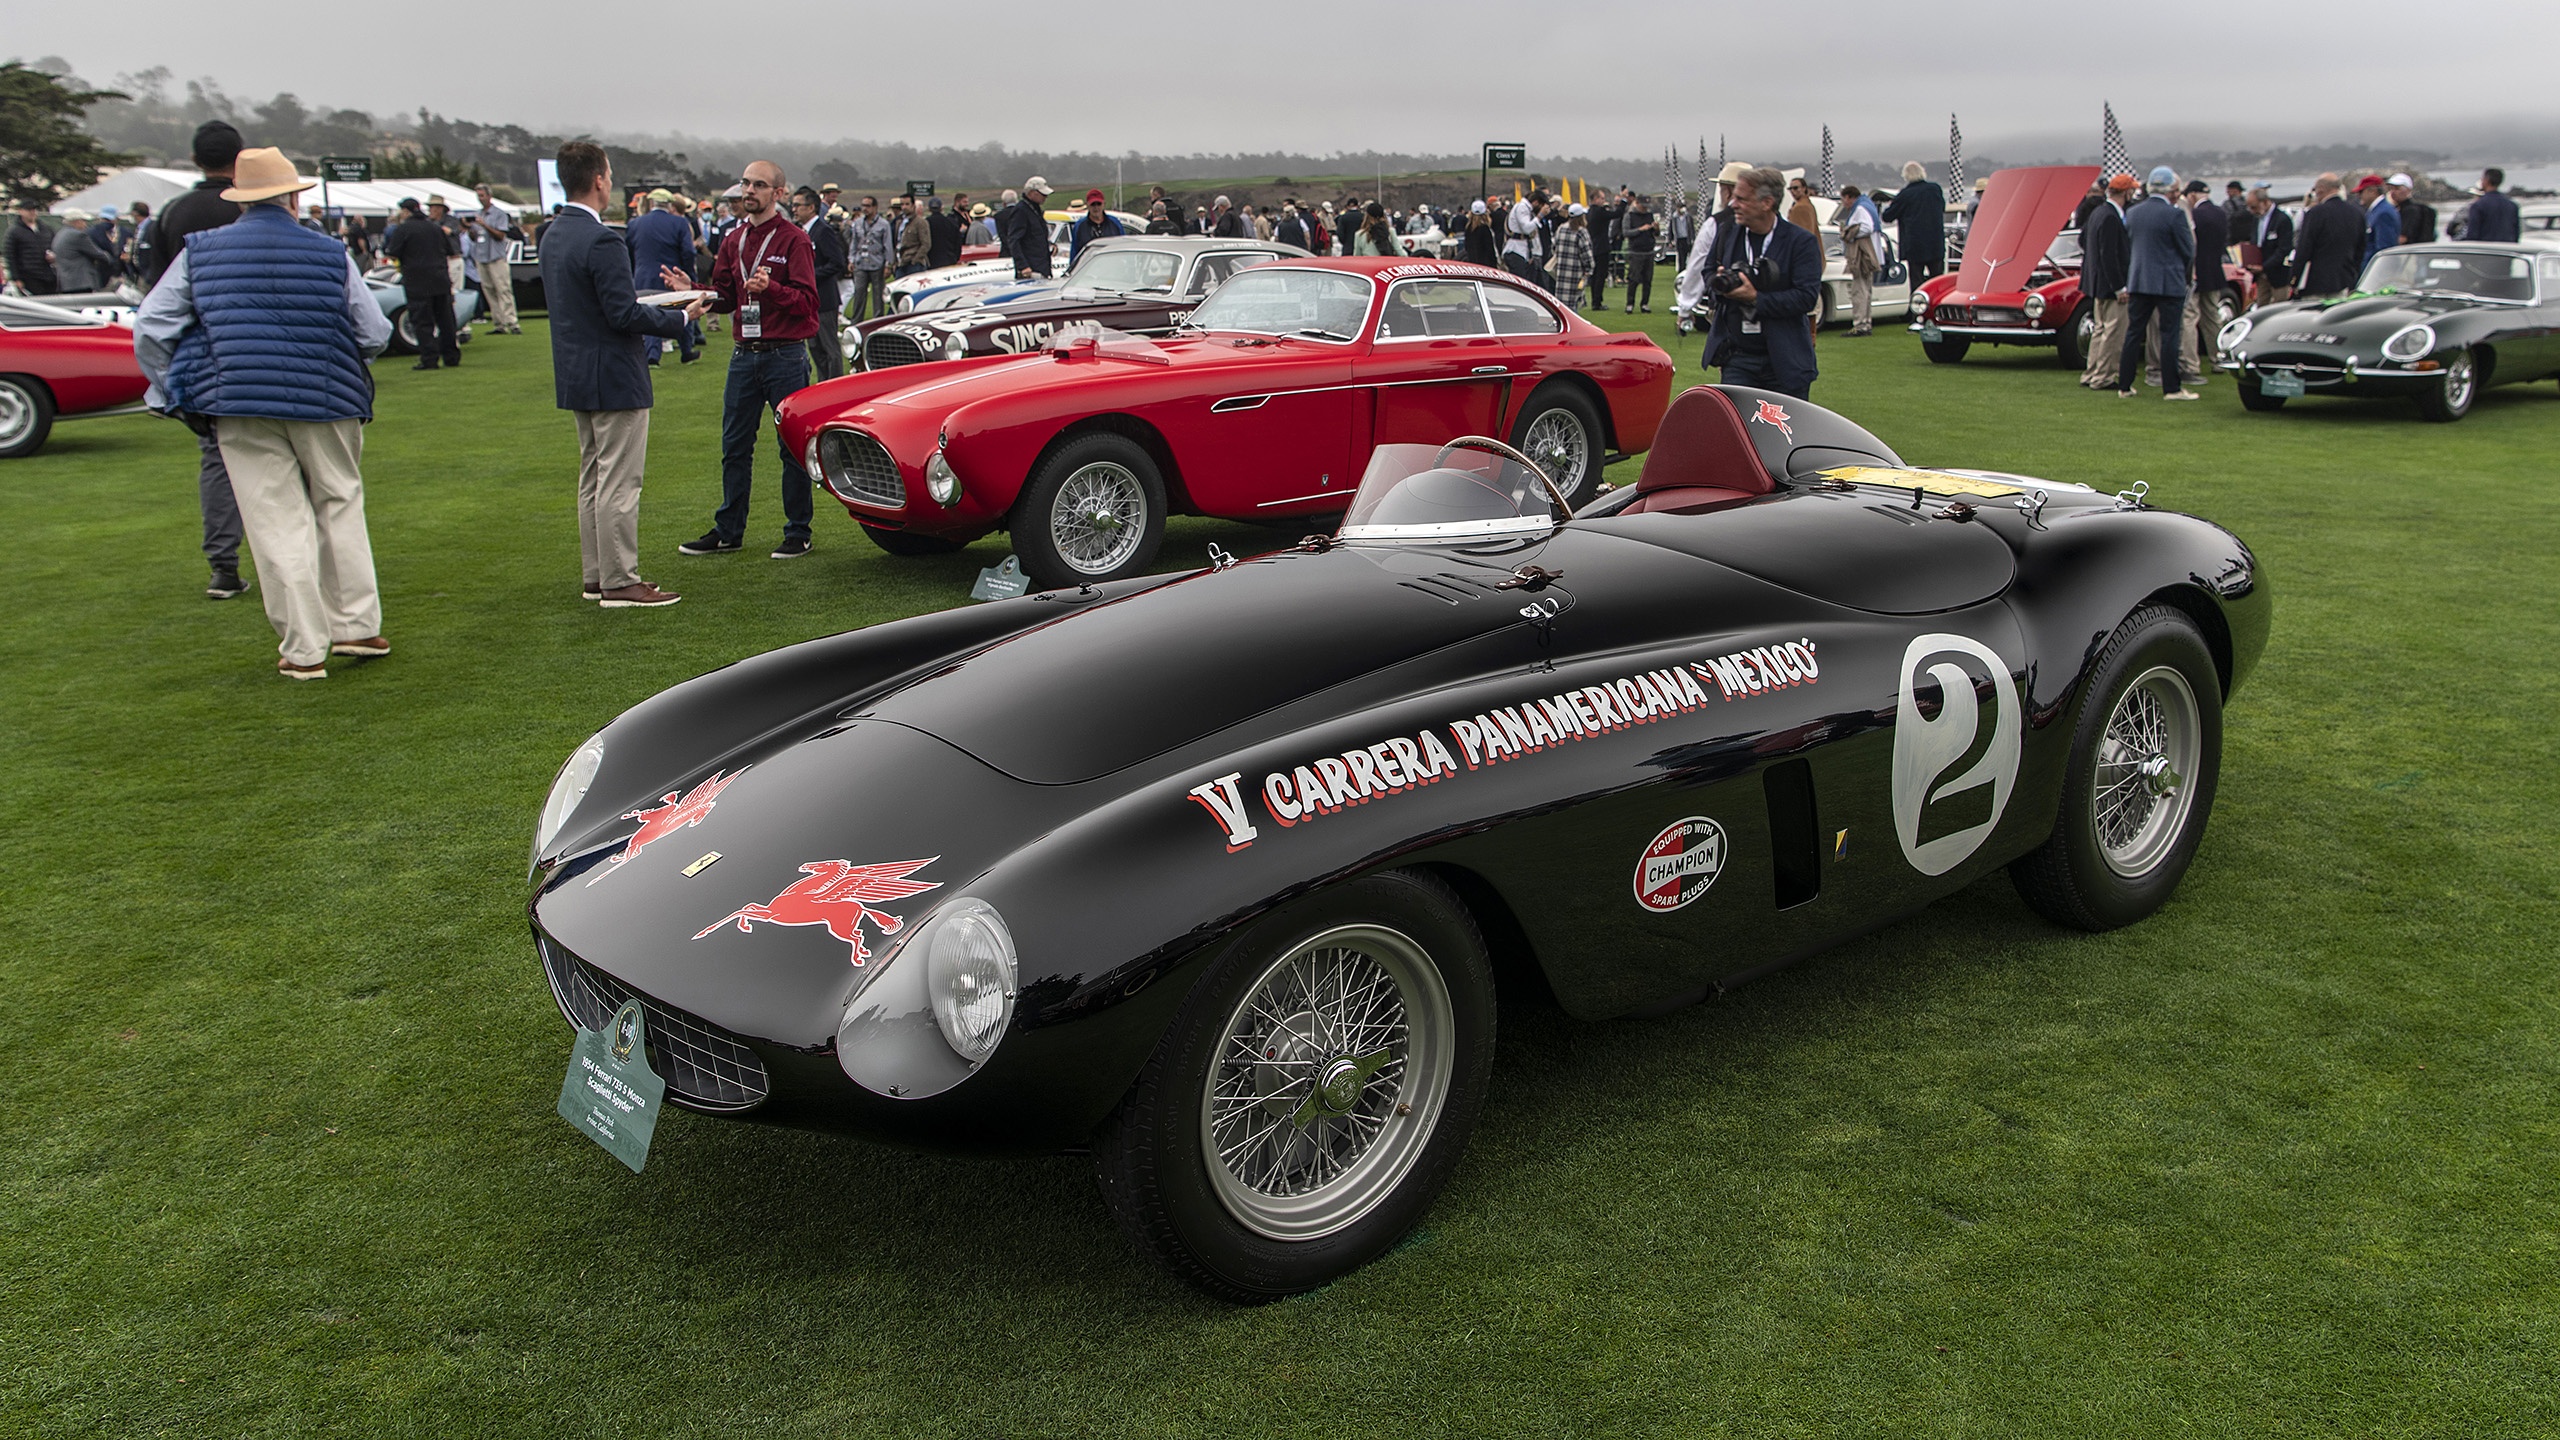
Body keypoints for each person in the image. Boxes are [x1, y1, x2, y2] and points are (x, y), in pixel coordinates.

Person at [132, 147, 393, 679]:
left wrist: (165, 389)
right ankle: (357, 626)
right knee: (339, 501)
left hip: (238, 400)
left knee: (274, 519)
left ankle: (304, 649)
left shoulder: (200, 252)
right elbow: (374, 332)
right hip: (329, 397)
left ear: (240, 197)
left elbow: (151, 326)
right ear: (294, 196)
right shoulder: (327, 251)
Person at [541, 142, 700, 609]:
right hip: (612, 372)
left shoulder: (553, 233)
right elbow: (621, 312)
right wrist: (681, 318)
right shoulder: (601, 238)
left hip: (576, 369)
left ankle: (598, 574)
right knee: (619, 482)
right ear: (599, 180)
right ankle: (619, 578)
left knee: (593, 476)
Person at [668, 159, 818, 561]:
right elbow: (726, 295)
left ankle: (798, 531)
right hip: (743, 356)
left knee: (791, 447)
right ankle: (728, 530)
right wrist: (692, 289)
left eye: (759, 185)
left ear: (779, 194)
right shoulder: (733, 241)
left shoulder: (794, 241)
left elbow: (808, 306)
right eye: (745, 183)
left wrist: (772, 290)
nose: (748, 191)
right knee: (734, 446)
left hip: (785, 356)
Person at [143, 121, 254, 599]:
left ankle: (223, 565)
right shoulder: (251, 210)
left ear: (194, 161)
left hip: (201, 354)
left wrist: (166, 379)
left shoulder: (171, 213)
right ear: (240, 158)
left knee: (217, 457)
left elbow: (155, 296)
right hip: (257, 344)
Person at [1698, 167, 1822, 398]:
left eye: (1741, 199)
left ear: (1767, 203)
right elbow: (1708, 271)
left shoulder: (1801, 242)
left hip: (1784, 360)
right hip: (1738, 357)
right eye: (1733, 196)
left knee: (1783, 432)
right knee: (1739, 431)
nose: (1733, 204)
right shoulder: (1728, 232)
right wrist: (1720, 285)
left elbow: (1806, 297)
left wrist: (1756, 298)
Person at [2117, 168, 2199, 403]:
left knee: (2133, 332)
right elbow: (2188, 250)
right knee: (2170, 335)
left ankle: (2125, 384)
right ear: (2172, 191)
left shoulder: (2132, 213)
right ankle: (2171, 388)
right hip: (2168, 281)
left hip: (2139, 280)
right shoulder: (2174, 215)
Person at [380, 197, 460, 370]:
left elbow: (392, 253)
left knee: (422, 321)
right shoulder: (435, 228)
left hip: (417, 280)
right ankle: (451, 356)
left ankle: (429, 358)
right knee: (446, 320)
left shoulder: (403, 229)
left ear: (406, 211)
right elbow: (449, 250)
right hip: (440, 278)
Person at [626, 191, 699, 366]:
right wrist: (687, 272)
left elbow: (628, 250)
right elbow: (688, 252)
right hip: (673, 274)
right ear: (669, 205)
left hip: (643, 275)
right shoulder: (679, 222)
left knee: (649, 313)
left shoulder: (635, 223)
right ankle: (686, 350)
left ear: (651, 204)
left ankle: (652, 354)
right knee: (682, 309)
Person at [2079, 174, 2134, 389]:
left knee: (2100, 330)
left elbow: (2083, 241)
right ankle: (2103, 377)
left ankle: (2092, 372)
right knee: (2112, 331)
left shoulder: (2098, 212)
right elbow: (2109, 255)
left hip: (2097, 283)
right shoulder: (2110, 216)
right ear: (2125, 193)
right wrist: (2119, 286)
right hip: (2110, 284)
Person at [793, 186, 848, 380]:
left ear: (811, 207)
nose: (794, 209)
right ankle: (823, 386)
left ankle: (836, 387)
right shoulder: (801, 232)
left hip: (824, 298)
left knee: (829, 348)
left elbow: (837, 262)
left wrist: (810, 275)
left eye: (798, 205)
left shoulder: (823, 231)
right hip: (810, 301)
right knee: (815, 347)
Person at [2181, 179, 2228, 383]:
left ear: (2192, 195)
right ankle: (2218, 358)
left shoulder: (2194, 215)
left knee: (2190, 318)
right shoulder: (2220, 213)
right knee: (2213, 317)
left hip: (2196, 273)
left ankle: (2191, 364)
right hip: (2215, 271)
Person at [2294, 173, 2364, 300]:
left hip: (2315, 281)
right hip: (2344, 279)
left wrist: (2294, 279)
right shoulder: (2356, 213)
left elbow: (2304, 249)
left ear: (2321, 189)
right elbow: (2360, 249)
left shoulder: (2315, 213)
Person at [468, 184, 523, 334]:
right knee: (489, 291)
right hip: (482, 257)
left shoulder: (499, 214)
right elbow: (475, 237)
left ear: (489, 196)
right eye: (478, 196)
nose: (480, 199)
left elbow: (500, 235)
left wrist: (484, 225)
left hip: (496, 257)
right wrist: (471, 230)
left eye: (482, 195)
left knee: (503, 290)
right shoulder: (478, 213)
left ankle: (512, 323)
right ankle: (499, 324)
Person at [1883, 162, 1948, 284]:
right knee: (1938, 282)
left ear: (1906, 176)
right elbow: (1942, 208)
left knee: (1917, 283)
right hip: (1935, 243)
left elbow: (1887, 217)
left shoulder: (1905, 194)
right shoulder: (1935, 189)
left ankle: (1919, 301)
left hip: (1915, 246)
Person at [1835, 186, 1879, 335]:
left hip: (1861, 254)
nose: (1844, 204)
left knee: (1859, 289)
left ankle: (1860, 324)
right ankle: (1866, 322)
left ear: (1848, 197)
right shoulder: (1867, 204)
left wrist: (1849, 232)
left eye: (1843, 200)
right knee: (1866, 288)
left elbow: (1867, 227)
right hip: (1869, 252)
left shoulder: (1860, 209)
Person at [2242, 186, 2295, 306]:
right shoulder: (2256, 219)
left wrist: (2265, 266)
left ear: (2265, 202)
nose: (2251, 211)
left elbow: (2284, 248)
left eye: (2254, 207)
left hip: (2277, 273)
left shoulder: (2282, 219)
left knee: (2279, 308)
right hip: (2261, 275)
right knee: (2261, 306)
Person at [845, 194, 892, 322]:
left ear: (875, 207)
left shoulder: (883, 224)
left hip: (877, 262)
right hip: (860, 262)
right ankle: (857, 321)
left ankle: (877, 321)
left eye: (868, 206)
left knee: (878, 295)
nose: (865, 209)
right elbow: (854, 242)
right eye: (863, 206)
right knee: (859, 292)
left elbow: (887, 245)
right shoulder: (858, 223)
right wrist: (851, 259)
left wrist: (888, 264)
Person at [49, 210, 116, 293]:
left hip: (66, 282)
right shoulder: (78, 235)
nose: (85, 224)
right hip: (81, 283)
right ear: (77, 221)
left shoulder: (60, 234)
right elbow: (97, 253)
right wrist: (111, 258)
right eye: (83, 221)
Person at [6, 201, 60, 294]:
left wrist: (54, 256)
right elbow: (10, 256)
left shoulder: (46, 228)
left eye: (34, 210)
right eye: (29, 210)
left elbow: (56, 245)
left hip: (49, 275)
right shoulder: (14, 231)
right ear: (21, 211)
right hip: (29, 277)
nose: (32, 212)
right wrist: (16, 278)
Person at [1005, 177, 1054, 278]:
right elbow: (1014, 240)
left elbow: (1036, 236)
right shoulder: (1021, 210)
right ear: (1032, 192)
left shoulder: (1035, 210)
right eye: (1043, 194)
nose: (1045, 197)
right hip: (1030, 270)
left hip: (1042, 266)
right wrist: (1023, 266)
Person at [1548, 205, 1592, 309]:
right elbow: (1586, 253)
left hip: (1561, 271)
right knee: (1573, 304)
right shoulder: (1581, 232)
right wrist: (1589, 269)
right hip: (1576, 272)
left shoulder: (1561, 228)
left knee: (1562, 306)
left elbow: (1554, 247)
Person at [2459, 168, 2520, 243]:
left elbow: (2473, 235)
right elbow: (2516, 233)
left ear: (2486, 180)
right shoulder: (2512, 205)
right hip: (2507, 250)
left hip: (2486, 250)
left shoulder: (2478, 205)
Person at [1622, 194, 1658, 313]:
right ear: (1637, 204)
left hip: (1649, 250)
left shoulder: (1649, 215)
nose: (1645, 209)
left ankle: (1645, 303)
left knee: (1648, 280)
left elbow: (1655, 234)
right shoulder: (1630, 216)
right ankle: (1630, 303)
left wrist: (1655, 228)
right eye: (1643, 206)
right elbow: (1626, 232)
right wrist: (1640, 229)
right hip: (1636, 251)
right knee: (1634, 279)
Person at [1069, 189, 1125, 265]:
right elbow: (1074, 254)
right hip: (1088, 271)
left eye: (1098, 204)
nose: (1096, 207)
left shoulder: (1115, 223)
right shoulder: (1080, 226)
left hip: (1112, 269)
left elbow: (1123, 248)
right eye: (1093, 204)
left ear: (1104, 204)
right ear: (1087, 205)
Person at [1501, 188, 1545, 285]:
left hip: (1521, 251)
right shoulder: (1522, 208)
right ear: (1536, 202)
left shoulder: (1524, 208)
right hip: (1515, 250)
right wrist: (1540, 216)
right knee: (1520, 283)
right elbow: (1527, 228)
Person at [2355, 175, 2398, 264]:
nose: (2358, 196)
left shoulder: (2383, 213)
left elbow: (2384, 249)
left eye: (2361, 192)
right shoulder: (2374, 211)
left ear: (2372, 191)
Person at [2388, 174, 2435, 245]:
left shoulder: (2410, 211)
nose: (2393, 192)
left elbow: (2403, 238)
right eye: (2391, 188)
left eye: (2397, 188)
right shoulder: (2401, 208)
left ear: (2408, 190)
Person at [894, 196, 930, 276]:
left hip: (914, 264)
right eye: (902, 204)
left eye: (907, 204)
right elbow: (896, 242)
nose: (904, 207)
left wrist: (915, 260)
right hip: (901, 262)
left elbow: (926, 244)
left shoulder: (920, 222)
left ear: (913, 205)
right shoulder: (899, 222)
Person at [925, 196, 963, 269]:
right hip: (949, 260)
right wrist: (956, 258)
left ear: (929, 209)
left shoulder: (926, 223)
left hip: (931, 262)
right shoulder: (951, 222)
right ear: (941, 208)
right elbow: (958, 242)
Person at [1460, 200, 1498, 267]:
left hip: (1472, 263)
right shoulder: (1484, 229)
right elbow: (1489, 250)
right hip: (1485, 265)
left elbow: (1467, 247)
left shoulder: (1468, 228)